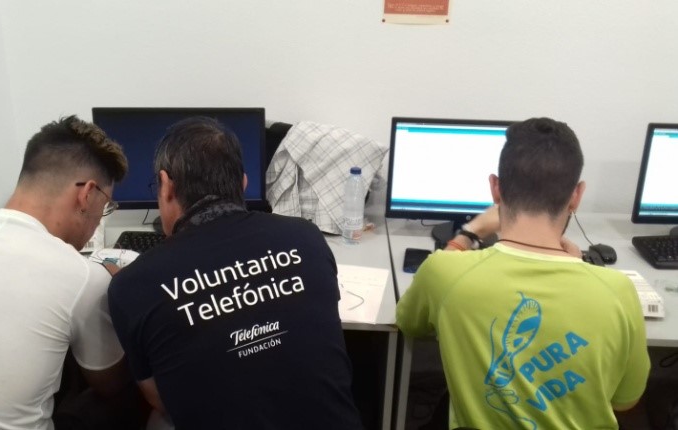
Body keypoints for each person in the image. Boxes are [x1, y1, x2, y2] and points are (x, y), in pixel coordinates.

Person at [107, 117, 364, 429]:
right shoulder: (307, 237)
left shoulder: (132, 286)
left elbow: (162, 400)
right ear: (243, 183)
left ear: (166, 185)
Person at [396, 117, 650, 429]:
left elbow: (409, 323)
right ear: (576, 195)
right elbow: (625, 400)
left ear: (496, 188)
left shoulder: (445, 272)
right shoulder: (618, 291)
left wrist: (470, 233)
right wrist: (583, 269)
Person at [0, 116, 135, 429]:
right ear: (86, 195)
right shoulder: (82, 276)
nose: (100, 219)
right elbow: (109, 384)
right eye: (106, 207)